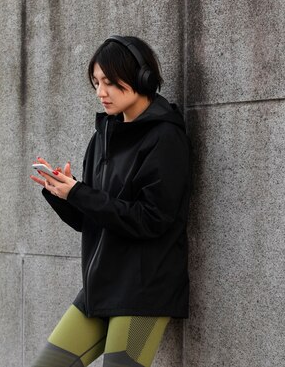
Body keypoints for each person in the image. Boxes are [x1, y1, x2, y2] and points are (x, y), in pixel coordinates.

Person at [29, 36, 191, 367]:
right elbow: (92, 218)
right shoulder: (102, 136)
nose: (101, 92)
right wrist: (64, 193)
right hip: (101, 284)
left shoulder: (165, 138)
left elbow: (151, 219)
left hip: (143, 289)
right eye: (97, 83)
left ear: (141, 79)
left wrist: (81, 193)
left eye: (110, 83)